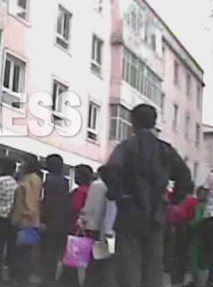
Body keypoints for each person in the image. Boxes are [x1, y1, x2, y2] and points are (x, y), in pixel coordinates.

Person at [107, 104, 191, 287]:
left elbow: (111, 171)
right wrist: (173, 200)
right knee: (153, 266)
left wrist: (119, 194)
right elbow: (185, 176)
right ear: (154, 123)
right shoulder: (165, 150)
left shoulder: (127, 147)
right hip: (156, 216)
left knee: (128, 267)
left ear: (132, 122)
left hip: (130, 214)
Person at [78, 165, 120, 287]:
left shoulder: (97, 185)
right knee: (103, 261)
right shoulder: (116, 186)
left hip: (93, 228)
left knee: (91, 262)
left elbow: (90, 206)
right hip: (109, 231)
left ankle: (90, 283)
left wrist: (82, 219)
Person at [9, 154, 43, 286]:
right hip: (26, 219)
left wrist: (24, 216)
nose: (20, 165)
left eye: (22, 162)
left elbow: (31, 202)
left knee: (23, 252)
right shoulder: (28, 178)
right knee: (22, 251)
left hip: (27, 220)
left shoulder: (32, 179)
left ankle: (21, 279)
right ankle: (20, 278)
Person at [40, 154, 70, 287]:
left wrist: (43, 219)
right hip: (62, 221)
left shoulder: (50, 180)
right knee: (55, 252)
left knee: (47, 251)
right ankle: (50, 278)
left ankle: (46, 279)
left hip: (50, 221)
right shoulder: (65, 181)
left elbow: (48, 202)